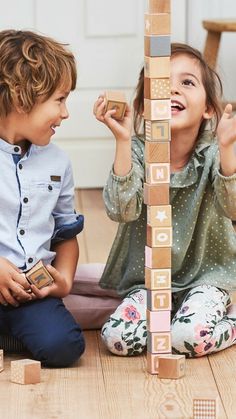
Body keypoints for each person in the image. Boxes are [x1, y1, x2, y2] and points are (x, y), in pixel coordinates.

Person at [93, 43, 236, 357]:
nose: (172, 90)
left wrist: (227, 149)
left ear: (209, 108)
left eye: (187, 82)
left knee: (188, 338)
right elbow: (121, 209)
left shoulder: (213, 153)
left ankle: (212, 317)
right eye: (160, 83)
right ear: (144, 108)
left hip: (205, 278)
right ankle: (171, 315)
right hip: (148, 282)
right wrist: (123, 139)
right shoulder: (138, 152)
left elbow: (232, 206)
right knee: (117, 339)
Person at [0, 29, 85, 367]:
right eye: (59, 100)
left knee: (65, 346)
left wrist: (62, 281)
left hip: (30, 292)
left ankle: (13, 333)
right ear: (22, 98)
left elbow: (66, 233)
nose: (65, 114)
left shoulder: (58, 162)